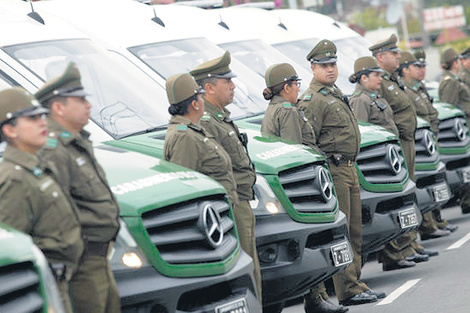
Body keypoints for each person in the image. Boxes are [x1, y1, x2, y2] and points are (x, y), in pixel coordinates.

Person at [298, 39, 385, 306]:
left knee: (356, 231)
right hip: (334, 170)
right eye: (324, 65)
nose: (330, 69)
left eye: (333, 64)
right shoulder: (313, 100)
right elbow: (307, 141)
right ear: (313, 68)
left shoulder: (334, 93)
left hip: (349, 167)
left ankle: (355, 282)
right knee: (344, 232)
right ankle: (347, 288)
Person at [35, 62, 121, 313]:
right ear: (58, 107)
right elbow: (56, 214)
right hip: (82, 264)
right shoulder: (53, 150)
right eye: (80, 100)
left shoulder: (77, 142)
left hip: (100, 258)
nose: (89, 105)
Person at [261, 63, 347, 313]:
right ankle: (316, 298)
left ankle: (316, 297)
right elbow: (294, 151)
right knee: (315, 237)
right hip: (303, 186)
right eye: (295, 84)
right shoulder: (287, 111)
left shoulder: (275, 109)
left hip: (294, 187)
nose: (298, 88)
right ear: (286, 87)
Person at [0, 87, 84, 313]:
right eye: (32, 118)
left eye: (42, 116)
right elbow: (13, 252)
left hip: (61, 281)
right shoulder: (14, 178)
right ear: (10, 130)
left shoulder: (34, 166)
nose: (43, 122)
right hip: (44, 289)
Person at [190, 52, 262, 304]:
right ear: (208, 87)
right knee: (244, 271)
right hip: (231, 206)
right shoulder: (208, 121)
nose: (233, 86)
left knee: (252, 267)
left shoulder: (221, 117)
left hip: (242, 200)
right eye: (226, 82)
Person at [369, 35, 430, 271]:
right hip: (396, 144)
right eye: (394, 53)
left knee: (408, 193)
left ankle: (408, 244)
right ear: (381, 57)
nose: (398, 56)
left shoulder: (392, 79)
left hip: (407, 140)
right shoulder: (380, 81)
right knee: (398, 197)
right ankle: (396, 250)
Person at [398, 51, 457, 238]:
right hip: (419, 143)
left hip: (430, 140)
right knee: (424, 182)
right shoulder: (406, 90)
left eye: (424, 66)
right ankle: (428, 225)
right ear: (405, 69)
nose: (422, 70)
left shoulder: (418, 88)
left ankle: (436, 220)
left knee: (435, 180)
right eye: (418, 66)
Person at [163, 72, 239, 204]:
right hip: (213, 213)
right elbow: (186, 185)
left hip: (222, 208)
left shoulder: (192, 129)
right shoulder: (183, 136)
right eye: (201, 98)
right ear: (195, 104)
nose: (204, 101)